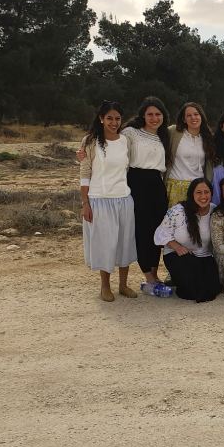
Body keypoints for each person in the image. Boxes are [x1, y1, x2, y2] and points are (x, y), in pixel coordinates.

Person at [79, 101, 137, 302]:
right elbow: (85, 173)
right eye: (109, 118)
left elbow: (127, 169)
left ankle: (123, 285)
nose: (114, 122)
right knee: (106, 244)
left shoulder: (125, 141)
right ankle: (105, 286)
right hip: (100, 201)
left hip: (123, 199)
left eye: (118, 118)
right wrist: (85, 203)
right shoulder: (90, 141)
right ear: (101, 119)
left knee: (124, 242)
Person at [122, 96, 172, 286]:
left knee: (157, 229)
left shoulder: (164, 136)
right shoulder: (131, 133)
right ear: (142, 115)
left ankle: (154, 272)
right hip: (136, 182)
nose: (154, 118)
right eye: (150, 114)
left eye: (158, 114)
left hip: (157, 184)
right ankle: (147, 275)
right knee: (142, 230)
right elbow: (116, 152)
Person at [153, 178, 222, 303]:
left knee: (213, 288)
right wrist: (177, 247)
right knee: (191, 291)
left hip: (204, 256)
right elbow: (161, 232)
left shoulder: (214, 211)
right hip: (178, 255)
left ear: (211, 193)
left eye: (206, 192)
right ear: (192, 194)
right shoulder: (178, 211)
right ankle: (179, 279)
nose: (203, 196)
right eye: (198, 192)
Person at [165, 101, 215, 207]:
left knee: (195, 217)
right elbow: (156, 132)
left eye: (196, 114)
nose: (193, 117)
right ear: (184, 119)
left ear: (201, 116)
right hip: (176, 186)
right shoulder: (174, 132)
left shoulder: (207, 137)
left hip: (198, 188)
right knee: (176, 217)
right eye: (189, 115)